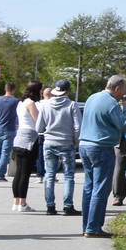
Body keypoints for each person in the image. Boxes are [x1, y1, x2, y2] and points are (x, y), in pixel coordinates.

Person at [78, 75, 126, 238]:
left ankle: (86, 224)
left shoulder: (92, 98)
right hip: (102, 147)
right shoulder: (112, 104)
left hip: (84, 145)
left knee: (89, 186)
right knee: (100, 188)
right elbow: (123, 126)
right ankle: (93, 227)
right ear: (117, 88)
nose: (125, 93)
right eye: (124, 90)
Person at [37, 79, 81, 215]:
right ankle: (68, 206)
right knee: (68, 175)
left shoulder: (45, 105)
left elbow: (38, 127)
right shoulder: (72, 105)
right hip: (66, 143)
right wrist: (75, 142)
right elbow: (78, 126)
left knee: (49, 174)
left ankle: (50, 206)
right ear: (67, 91)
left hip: (49, 142)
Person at [10, 80, 42, 212]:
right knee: (25, 173)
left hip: (19, 137)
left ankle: (16, 202)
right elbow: (38, 121)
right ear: (37, 91)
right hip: (30, 138)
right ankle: (23, 203)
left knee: (19, 172)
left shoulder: (21, 102)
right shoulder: (31, 103)